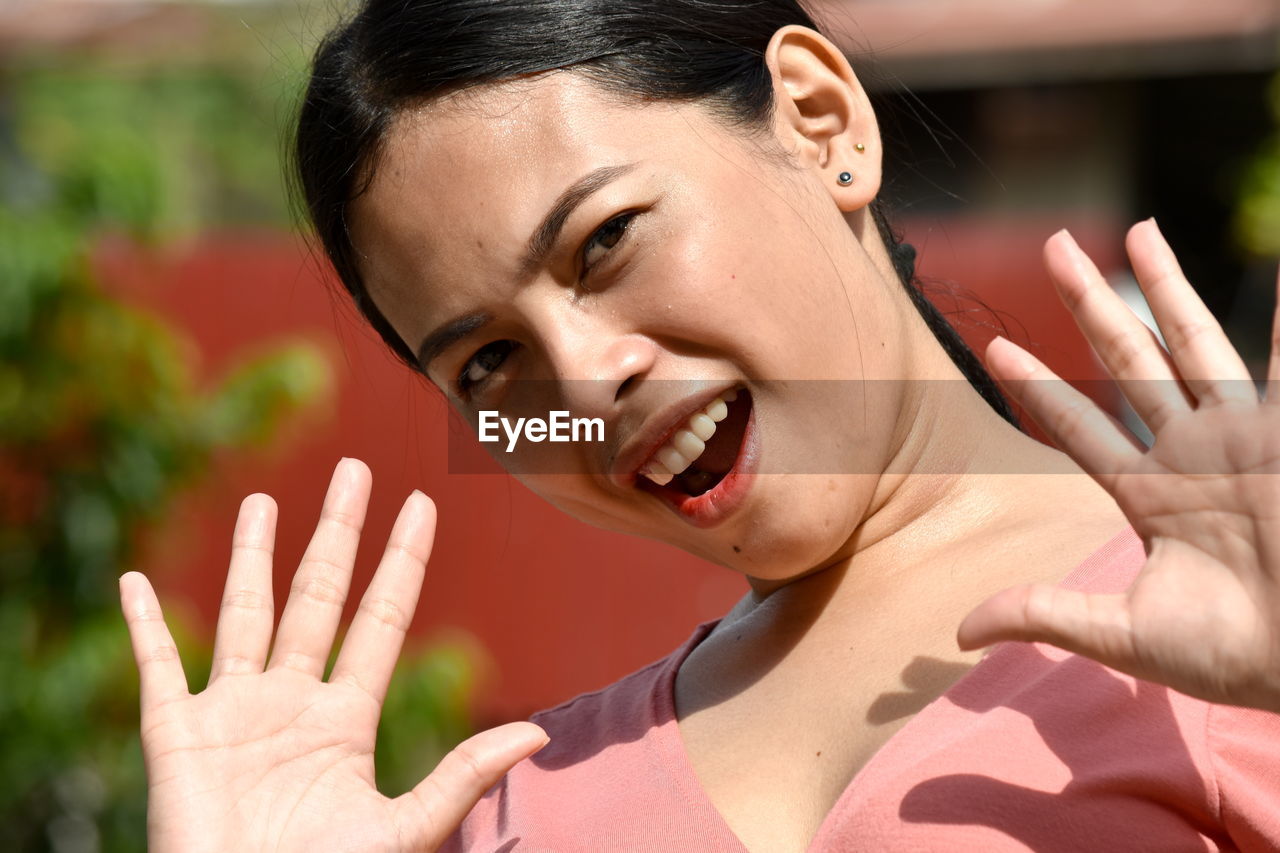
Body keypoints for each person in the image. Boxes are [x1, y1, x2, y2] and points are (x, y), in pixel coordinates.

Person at [117, 0, 1280, 850]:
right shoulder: (522, 797)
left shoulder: (1227, 606)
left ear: (822, 123)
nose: (576, 383)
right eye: (486, 361)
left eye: (605, 241)